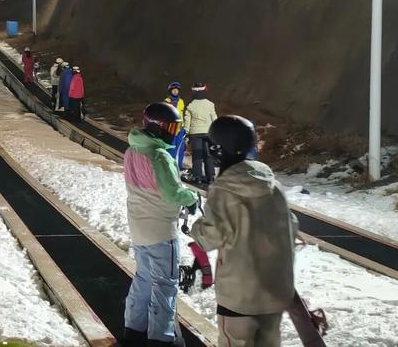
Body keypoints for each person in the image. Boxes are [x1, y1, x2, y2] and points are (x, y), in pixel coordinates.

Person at [190, 116, 297, 347]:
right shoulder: (274, 186)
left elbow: (209, 237)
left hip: (240, 296)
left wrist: (195, 227)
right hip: (276, 292)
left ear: (218, 149)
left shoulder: (225, 190)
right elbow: (292, 225)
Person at [123, 102, 198, 347]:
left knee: (143, 279)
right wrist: (191, 198)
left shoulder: (132, 151)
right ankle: (161, 338)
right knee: (165, 284)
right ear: (159, 127)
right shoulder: (159, 156)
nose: (175, 133)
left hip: (139, 227)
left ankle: (134, 330)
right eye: (172, 128)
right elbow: (172, 193)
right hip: (162, 230)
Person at [184, 83, 217, 185]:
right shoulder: (210, 104)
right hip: (208, 133)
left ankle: (197, 177)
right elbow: (214, 118)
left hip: (195, 134)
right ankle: (210, 177)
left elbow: (187, 121)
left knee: (197, 155)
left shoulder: (191, 105)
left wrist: (186, 133)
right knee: (208, 155)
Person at [164, 81, 187, 169]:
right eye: (173, 90)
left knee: (181, 147)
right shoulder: (166, 101)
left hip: (181, 127)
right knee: (171, 147)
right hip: (171, 127)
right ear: (170, 91)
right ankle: (170, 166)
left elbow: (182, 114)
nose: (175, 91)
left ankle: (179, 166)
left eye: (177, 90)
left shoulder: (181, 101)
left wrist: (184, 127)